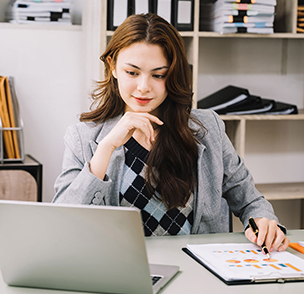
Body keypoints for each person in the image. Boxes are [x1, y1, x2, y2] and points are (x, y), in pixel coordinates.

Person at [53, 13, 289, 253]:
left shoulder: (208, 128)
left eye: (158, 75)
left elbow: (249, 199)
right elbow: (62, 225)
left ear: (173, 74)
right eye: (132, 73)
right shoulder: (83, 137)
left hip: (198, 274)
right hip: (121, 273)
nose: (144, 87)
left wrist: (263, 222)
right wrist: (106, 147)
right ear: (113, 67)